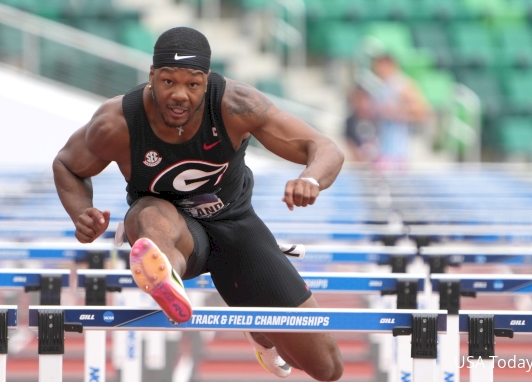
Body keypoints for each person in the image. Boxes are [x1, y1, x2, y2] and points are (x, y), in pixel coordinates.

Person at [53, 26, 344, 381]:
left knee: (326, 368)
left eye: (192, 84)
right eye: (168, 82)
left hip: (236, 228)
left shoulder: (236, 105)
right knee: (150, 214)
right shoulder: (117, 123)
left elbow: (323, 147)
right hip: (171, 229)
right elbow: (67, 164)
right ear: (151, 77)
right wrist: (80, 212)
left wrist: (310, 179)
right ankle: (165, 279)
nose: (180, 95)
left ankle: (260, 332)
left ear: (206, 81)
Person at [361, 52, 430, 172]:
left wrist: (396, 112)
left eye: (381, 66)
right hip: (381, 145)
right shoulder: (381, 86)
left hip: (397, 149)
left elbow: (423, 111)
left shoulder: (402, 84)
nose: (378, 70)